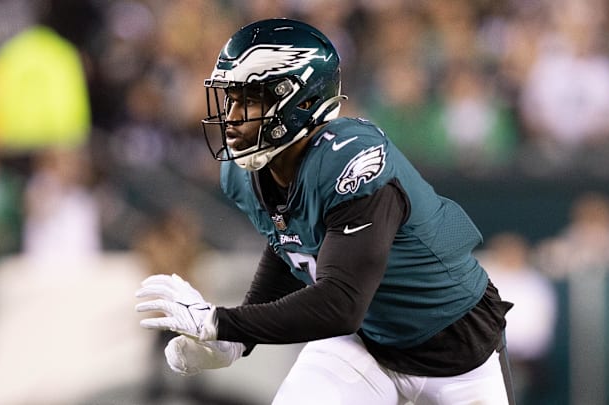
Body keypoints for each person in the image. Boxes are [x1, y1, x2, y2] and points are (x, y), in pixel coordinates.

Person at [135, 18, 515, 405]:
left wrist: (221, 322)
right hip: (366, 345)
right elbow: (290, 247)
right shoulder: (245, 174)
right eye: (231, 98)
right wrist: (237, 339)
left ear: (301, 101)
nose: (233, 116)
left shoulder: (351, 160)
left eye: (249, 99)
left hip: (458, 351)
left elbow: (340, 304)